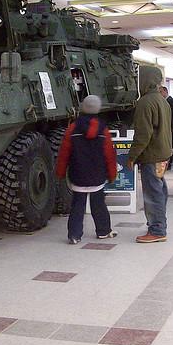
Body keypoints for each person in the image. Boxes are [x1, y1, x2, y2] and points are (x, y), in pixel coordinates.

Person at [56, 95, 117, 244]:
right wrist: (112, 174)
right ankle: (103, 231)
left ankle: (74, 235)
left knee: (77, 205)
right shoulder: (103, 129)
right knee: (99, 204)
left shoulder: (73, 128)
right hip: (97, 174)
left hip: (78, 173)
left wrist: (60, 172)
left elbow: (64, 153)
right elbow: (109, 154)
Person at [127, 66, 172, 243]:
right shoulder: (162, 100)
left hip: (152, 155)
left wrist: (132, 156)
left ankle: (158, 230)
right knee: (160, 191)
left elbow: (143, 134)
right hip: (162, 154)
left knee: (153, 194)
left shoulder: (145, 102)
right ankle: (158, 226)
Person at [159, 86, 173, 169]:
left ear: (165, 91)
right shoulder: (162, 102)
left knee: (170, 143)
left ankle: (170, 160)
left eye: (161, 92)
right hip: (165, 127)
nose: (160, 94)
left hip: (171, 127)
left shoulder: (172, 102)